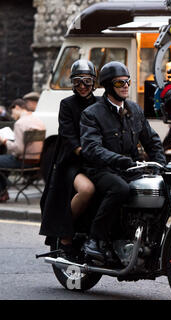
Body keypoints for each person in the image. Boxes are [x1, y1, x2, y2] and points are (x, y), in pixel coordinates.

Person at [80, 61, 166, 260]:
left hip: (130, 168)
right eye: (120, 83)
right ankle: (94, 240)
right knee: (120, 189)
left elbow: (152, 140)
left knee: (163, 185)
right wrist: (119, 160)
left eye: (127, 81)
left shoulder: (134, 110)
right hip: (102, 170)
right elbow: (92, 148)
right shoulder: (92, 114)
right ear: (109, 86)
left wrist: (160, 165)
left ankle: (149, 237)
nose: (126, 86)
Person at [39, 59, 99, 254]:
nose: (82, 86)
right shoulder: (67, 104)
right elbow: (68, 135)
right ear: (72, 83)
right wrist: (82, 151)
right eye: (77, 81)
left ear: (94, 82)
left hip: (99, 161)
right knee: (87, 190)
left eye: (87, 81)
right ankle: (65, 234)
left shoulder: (101, 104)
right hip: (73, 162)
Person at [0, 98, 46, 202]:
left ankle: (2, 191)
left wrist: (5, 141)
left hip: (24, 161)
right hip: (37, 161)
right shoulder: (38, 120)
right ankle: (2, 191)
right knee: (3, 162)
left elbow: (19, 150)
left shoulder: (20, 123)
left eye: (12, 112)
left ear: (16, 107)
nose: (12, 116)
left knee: (2, 160)